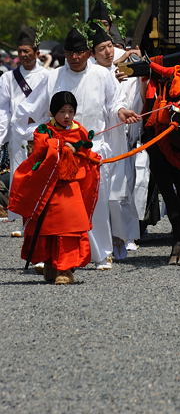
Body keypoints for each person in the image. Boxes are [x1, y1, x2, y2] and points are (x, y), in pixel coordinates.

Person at [14, 26, 140, 269]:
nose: (74, 57)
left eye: (80, 52)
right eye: (70, 52)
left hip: (91, 149)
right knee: (55, 204)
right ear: (66, 54)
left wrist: (122, 112)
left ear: (88, 53)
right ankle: (51, 254)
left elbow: (115, 103)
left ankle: (102, 254)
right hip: (59, 151)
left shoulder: (102, 75)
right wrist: (33, 134)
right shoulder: (53, 77)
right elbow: (30, 109)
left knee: (96, 202)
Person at [9, 91, 101, 284]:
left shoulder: (80, 130)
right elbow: (43, 150)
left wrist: (81, 151)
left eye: (70, 111)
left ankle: (65, 269)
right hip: (48, 187)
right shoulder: (43, 130)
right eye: (62, 111)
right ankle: (51, 265)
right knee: (48, 229)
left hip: (71, 186)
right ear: (52, 113)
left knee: (69, 228)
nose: (67, 116)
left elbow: (86, 150)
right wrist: (62, 147)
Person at [90, 25, 141, 259]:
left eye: (110, 46)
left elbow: (119, 101)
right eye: (102, 49)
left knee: (119, 194)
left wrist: (122, 111)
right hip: (96, 140)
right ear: (93, 53)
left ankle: (122, 237)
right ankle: (98, 241)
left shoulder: (122, 71)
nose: (108, 52)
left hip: (118, 138)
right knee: (98, 194)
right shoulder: (89, 73)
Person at [0, 27, 50, 233]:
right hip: (17, 134)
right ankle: (21, 218)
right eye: (20, 51)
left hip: (40, 132)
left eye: (27, 51)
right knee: (19, 177)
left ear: (37, 53)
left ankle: (40, 217)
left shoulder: (49, 76)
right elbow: (3, 110)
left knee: (40, 177)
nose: (23, 55)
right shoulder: (7, 79)